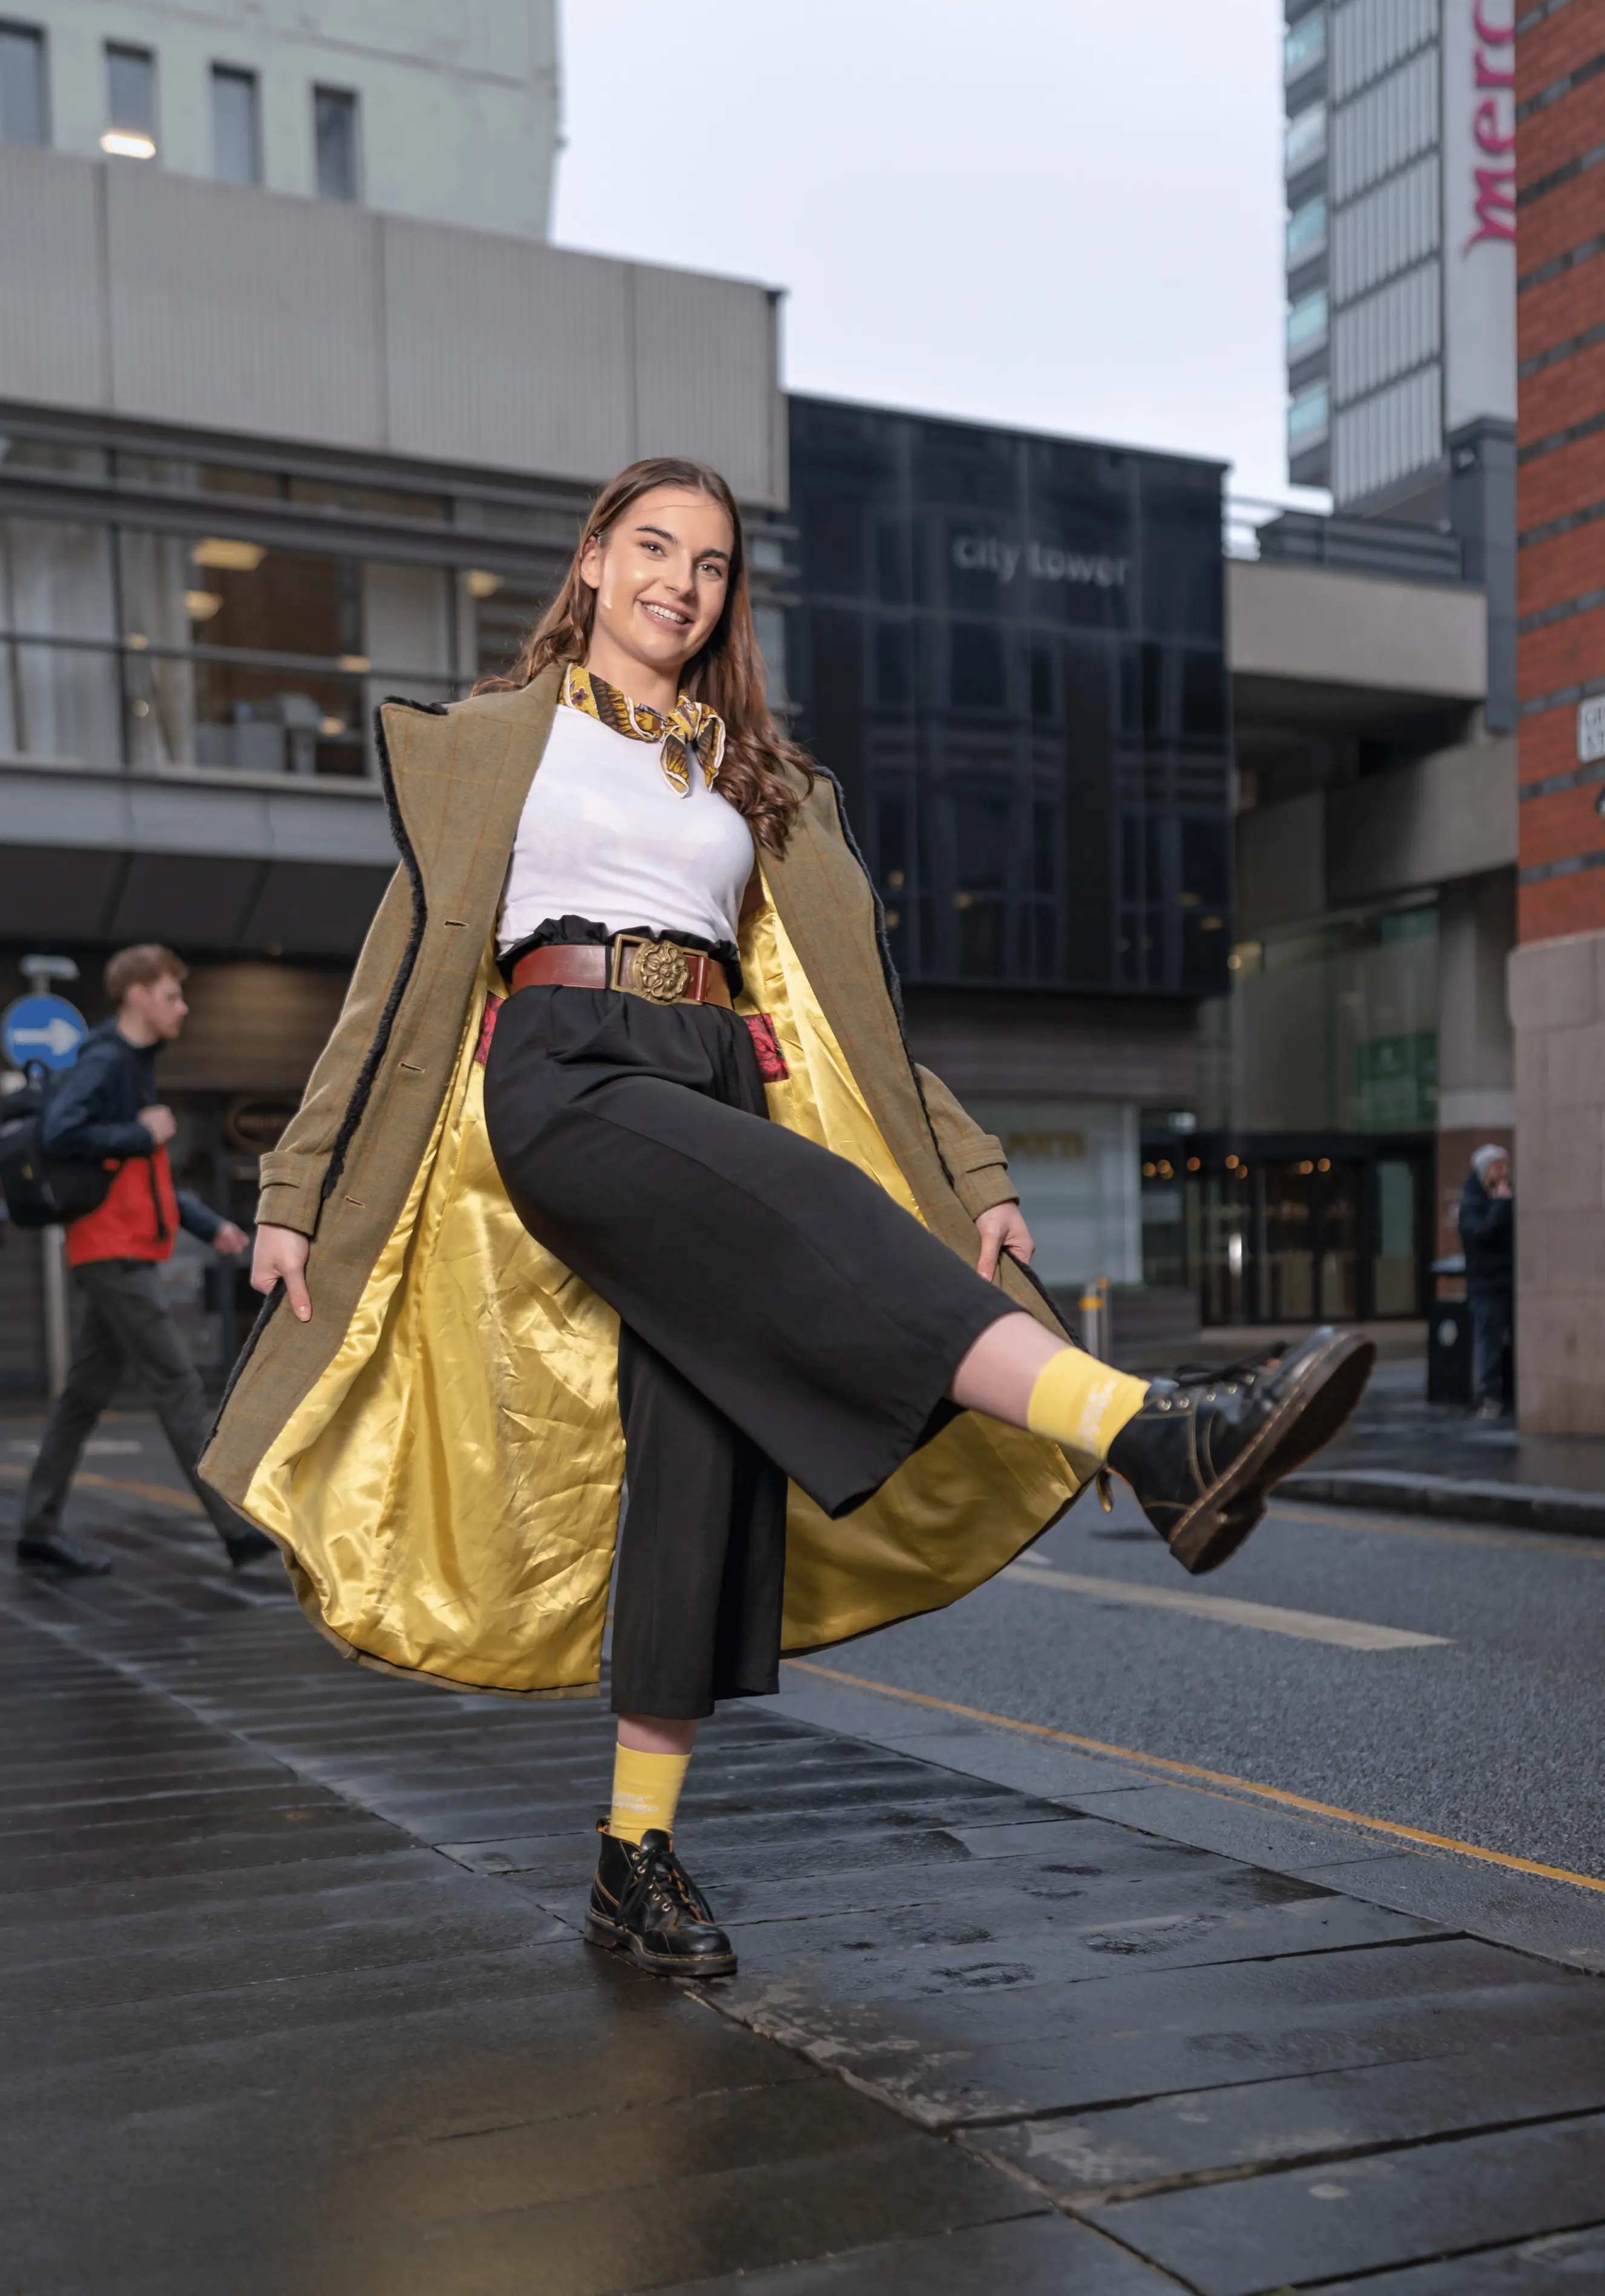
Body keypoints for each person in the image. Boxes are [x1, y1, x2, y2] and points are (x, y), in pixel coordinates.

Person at [211, 456, 1374, 1982]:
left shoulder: (755, 782)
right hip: (563, 1080)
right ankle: (1148, 1433)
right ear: (589, 561)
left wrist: (969, 1172)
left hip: (711, 1064)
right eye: (649, 547)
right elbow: (391, 991)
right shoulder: (493, 746)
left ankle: (634, 1860)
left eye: (705, 562)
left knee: (701, 1460)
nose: (676, 582)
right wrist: (296, 1192)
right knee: (815, 1211)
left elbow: (860, 1027)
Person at [16, 945, 277, 1576]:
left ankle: (37, 1529)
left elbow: (147, 1173)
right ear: (136, 996)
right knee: (179, 1386)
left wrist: (208, 1223)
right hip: (113, 1251)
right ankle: (236, 1530)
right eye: (171, 996)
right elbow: (60, 1132)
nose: (182, 1008)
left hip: (124, 1249)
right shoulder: (106, 1062)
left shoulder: (132, 1066)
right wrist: (141, 1132)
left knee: (83, 1396)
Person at [1459, 1143, 1514, 1420]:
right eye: (1497, 1166)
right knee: (1489, 1342)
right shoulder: (1472, 1203)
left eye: (1505, 1165)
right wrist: (1500, 1206)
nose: (1503, 1172)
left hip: (1509, 1283)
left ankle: (1510, 1394)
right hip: (1486, 1286)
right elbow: (1482, 1235)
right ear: (1484, 1172)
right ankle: (1490, 1397)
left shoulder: (1507, 1198)